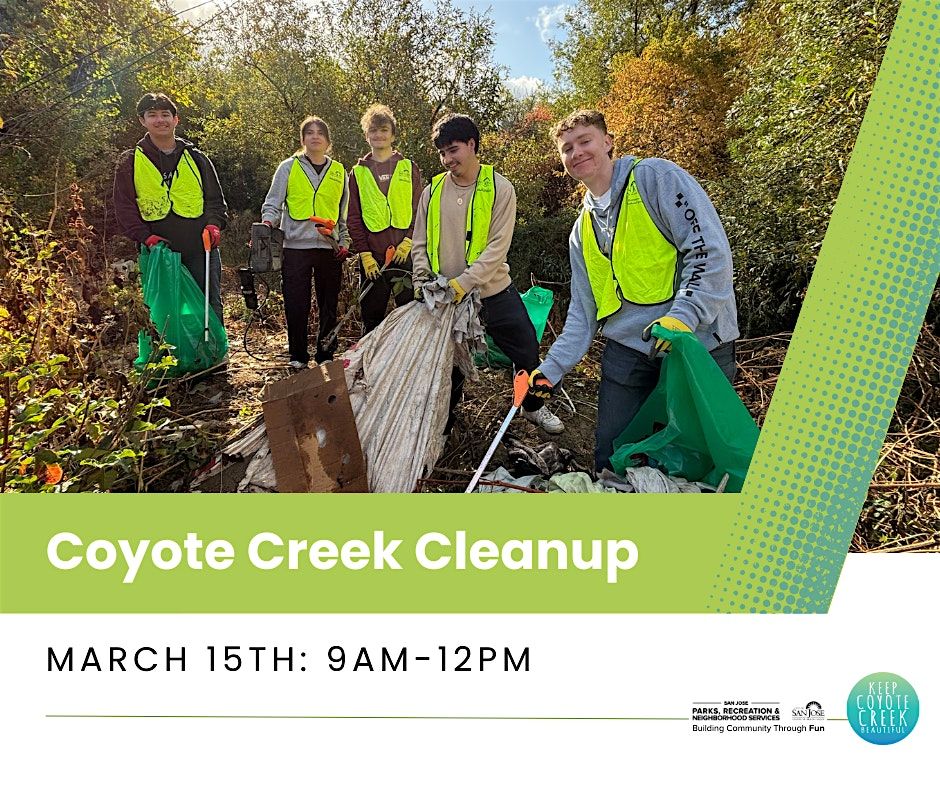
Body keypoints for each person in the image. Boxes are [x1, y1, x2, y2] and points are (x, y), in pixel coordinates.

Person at [531, 109, 739, 471]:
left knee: (702, 460)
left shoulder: (656, 179)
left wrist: (683, 317)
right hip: (629, 350)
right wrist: (550, 370)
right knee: (611, 457)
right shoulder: (581, 233)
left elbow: (710, 252)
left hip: (699, 342)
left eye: (585, 141)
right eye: (567, 148)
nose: (576, 152)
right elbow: (583, 312)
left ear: (608, 142)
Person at [411, 113, 564, 435]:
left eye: (453, 150)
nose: (447, 159)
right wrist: (422, 280)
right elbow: (420, 242)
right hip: (445, 297)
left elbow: (496, 249)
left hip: (493, 291)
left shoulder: (500, 188)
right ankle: (443, 426)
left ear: (472, 144)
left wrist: (462, 285)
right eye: (442, 153)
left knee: (526, 349)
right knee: (449, 367)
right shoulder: (432, 191)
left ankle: (534, 408)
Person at [113, 92, 228, 325]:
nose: (160, 120)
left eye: (165, 114)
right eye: (152, 115)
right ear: (142, 121)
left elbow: (215, 200)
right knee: (163, 308)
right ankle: (169, 358)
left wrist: (214, 225)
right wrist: (145, 237)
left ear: (176, 120)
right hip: (157, 251)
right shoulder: (130, 161)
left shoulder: (197, 158)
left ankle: (214, 356)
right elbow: (124, 207)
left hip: (200, 247)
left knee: (209, 304)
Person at [261, 116, 351, 368]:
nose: (315, 136)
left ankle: (325, 354)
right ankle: (298, 355)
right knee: (296, 301)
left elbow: (343, 212)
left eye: (320, 132)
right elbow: (273, 202)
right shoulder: (288, 167)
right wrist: (267, 224)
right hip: (295, 246)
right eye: (309, 132)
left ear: (328, 140)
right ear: (302, 140)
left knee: (328, 304)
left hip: (329, 248)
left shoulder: (339, 171)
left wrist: (344, 240)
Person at [347, 104, 424, 334]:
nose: (378, 135)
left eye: (384, 129)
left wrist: (409, 242)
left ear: (393, 134)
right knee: (371, 317)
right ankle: (370, 365)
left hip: (404, 255)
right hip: (373, 257)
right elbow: (353, 218)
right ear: (366, 135)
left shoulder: (408, 167)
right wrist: (365, 254)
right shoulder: (358, 172)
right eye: (373, 130)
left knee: (409, 314)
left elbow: (420, 209)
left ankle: (407, 363)